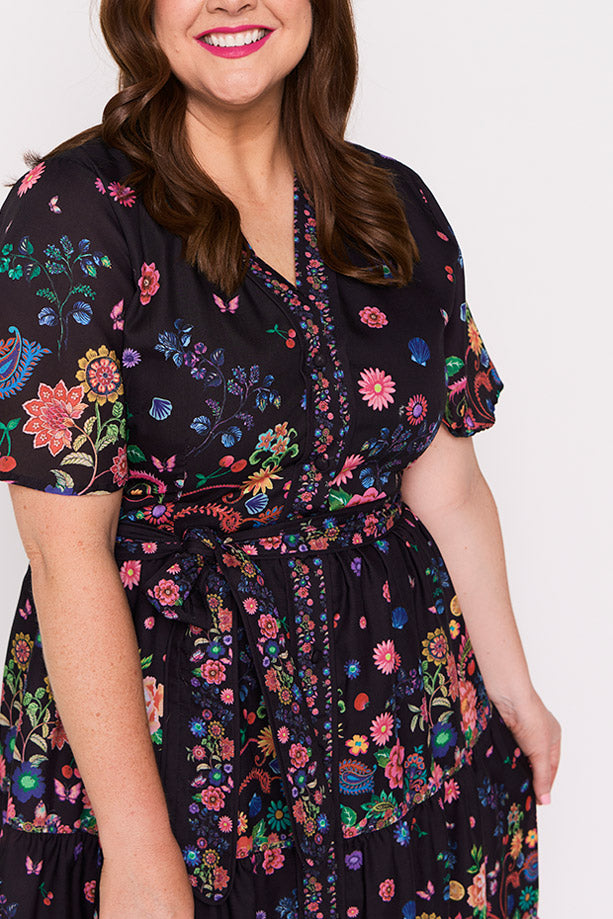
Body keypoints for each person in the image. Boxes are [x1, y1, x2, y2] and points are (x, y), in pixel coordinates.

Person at [0, 0, 560, 917]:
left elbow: (447, 484)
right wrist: (138, 848)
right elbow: (66, 557)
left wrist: (512, 689)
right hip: (178, 745)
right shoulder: (73, 212)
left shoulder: (392, 203)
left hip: (401, 738)